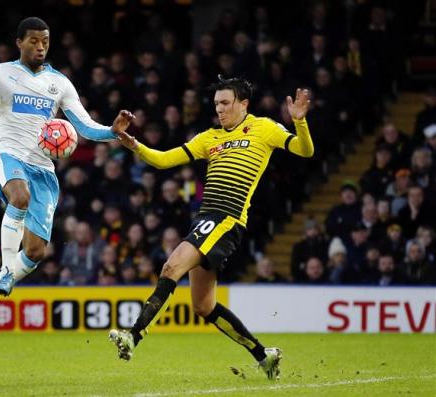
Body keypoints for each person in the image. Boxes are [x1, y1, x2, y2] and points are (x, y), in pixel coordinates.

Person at [0, 17, 133, 324]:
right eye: (34, 40)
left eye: (45, 41)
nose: (40, 46)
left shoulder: (59, 83)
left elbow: (84, 126)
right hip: (9, 155)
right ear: (19, 42)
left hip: (43, 169)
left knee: (35, 252)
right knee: (19, 197)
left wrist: (112, 130)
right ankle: (5, 272)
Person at [109, 76, 314, 380]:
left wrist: (300, 123)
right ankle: (264, 356)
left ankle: (134, 335)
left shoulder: (264, 128)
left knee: (171, 267)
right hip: (207, 218)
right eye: (217, 103)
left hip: (227, 218)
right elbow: (165, 160)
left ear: (243, 104)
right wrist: (136, 146)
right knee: (203, 305)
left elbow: (304, 150)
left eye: (225, 103)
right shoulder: (209, 138)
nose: (219, 109)